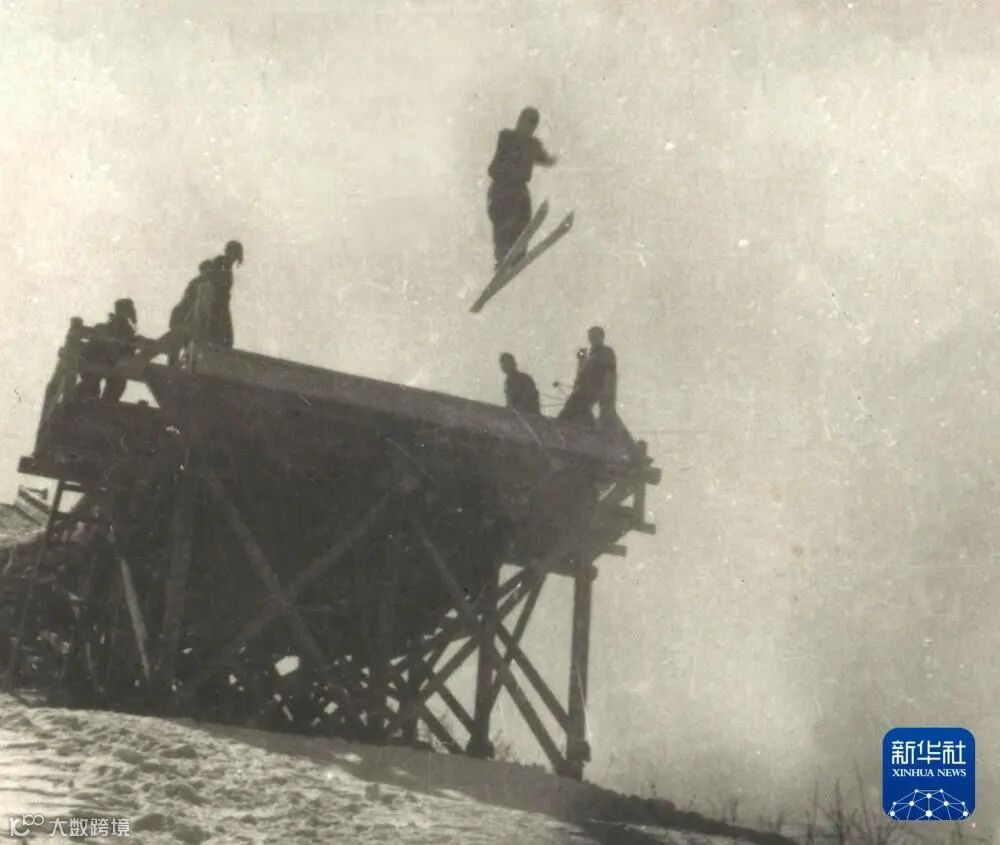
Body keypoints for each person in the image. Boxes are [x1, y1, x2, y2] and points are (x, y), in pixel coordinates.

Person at [486, 107, 557, 268]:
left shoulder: (533, 145)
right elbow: (505, 153)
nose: (529, 128)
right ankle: (503, 256)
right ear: (519, 122)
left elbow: (542, 157)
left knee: (523, 218)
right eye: (527, 122)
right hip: (500, 188)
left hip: (519, 190)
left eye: (533, 124)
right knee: (504, 222)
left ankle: (517, 254)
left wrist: (550, 160)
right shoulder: (507, 137)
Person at [75, 298, 138, 402]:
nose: (134, 312)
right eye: (130, 309)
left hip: (113, 365)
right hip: (98, 362)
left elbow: (129, 352)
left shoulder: (127, 330)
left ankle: (100, 403)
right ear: (124, 311)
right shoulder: (108, 328)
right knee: (92, 386)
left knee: (114, 388)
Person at [557, 326, 617, 429]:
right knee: (580, 410)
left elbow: (603, 372)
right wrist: (582, 361)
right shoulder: (593, 355)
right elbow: (583, 374)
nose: (591, 339)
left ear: (601, 337)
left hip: (591, 390)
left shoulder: (605, 352)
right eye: (590, 336)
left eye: (594, 336)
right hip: (585, 391)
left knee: (571, 410)